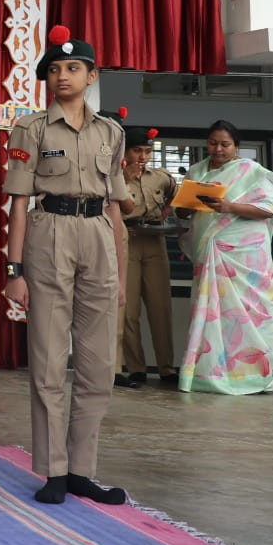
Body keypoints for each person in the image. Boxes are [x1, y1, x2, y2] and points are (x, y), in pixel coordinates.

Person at [1, 25, 129, 506]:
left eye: (73, 68)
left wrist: (118, 270)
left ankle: (82, 470)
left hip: (98, 235)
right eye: (53, 70)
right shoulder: (31, 129)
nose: (62, 77)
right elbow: (17, 204)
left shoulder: (111, 133)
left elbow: (115, 206)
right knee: (49, 361)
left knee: (99, 366)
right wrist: (14, 272)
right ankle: (53, 470)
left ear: (92, 75)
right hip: (48, 233)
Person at [174, 120, 273, 395]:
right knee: (209, 315)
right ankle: (206, 374)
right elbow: (183, 213)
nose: (218, 149)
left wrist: (229, 206)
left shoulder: (252, 171)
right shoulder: (197, 171)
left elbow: (268, 209)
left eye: (225, 144)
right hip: (208, 254)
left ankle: (250, 377)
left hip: (242, 259)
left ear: (236, 147)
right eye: (212, 143)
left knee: (244, 315)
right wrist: (186, 204)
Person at [115, 126, 180, 388]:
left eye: (147, 151)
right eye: (137, 150)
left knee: (160, 307)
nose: (143, 156)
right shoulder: (116, 176)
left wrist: (166, 211)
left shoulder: (161, 177)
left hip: (155, 239)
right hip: (128, 238)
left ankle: (166, 368)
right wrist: (122, 176)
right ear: (125, 151)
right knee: (128, 309)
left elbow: (177, 194)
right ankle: (136, 367)